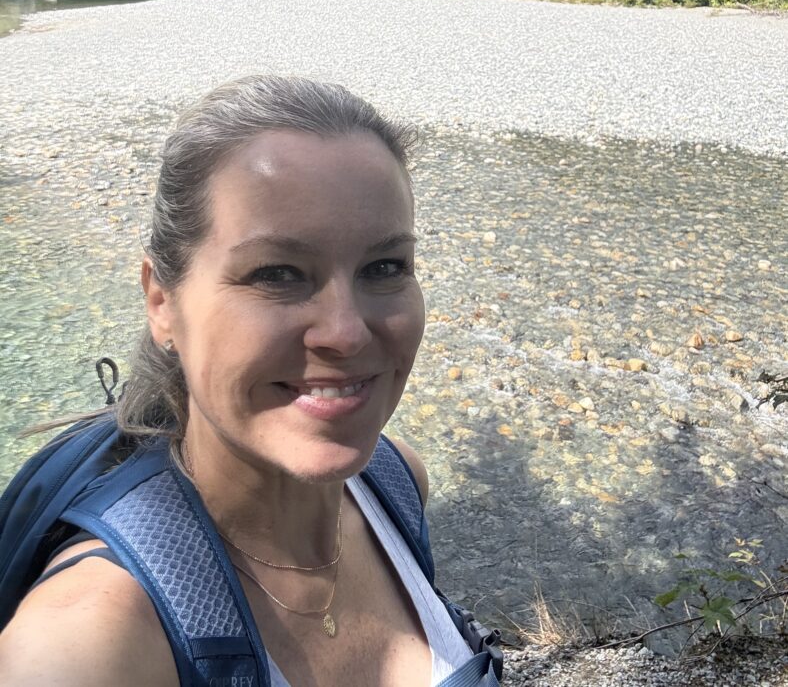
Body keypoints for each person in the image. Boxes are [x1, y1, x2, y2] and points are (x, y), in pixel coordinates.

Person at [0, 74, 501, 686]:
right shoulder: (88, 645)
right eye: (276, 274)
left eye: (384, 266)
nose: (345, 333)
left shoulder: (395, 485)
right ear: (162, 302)